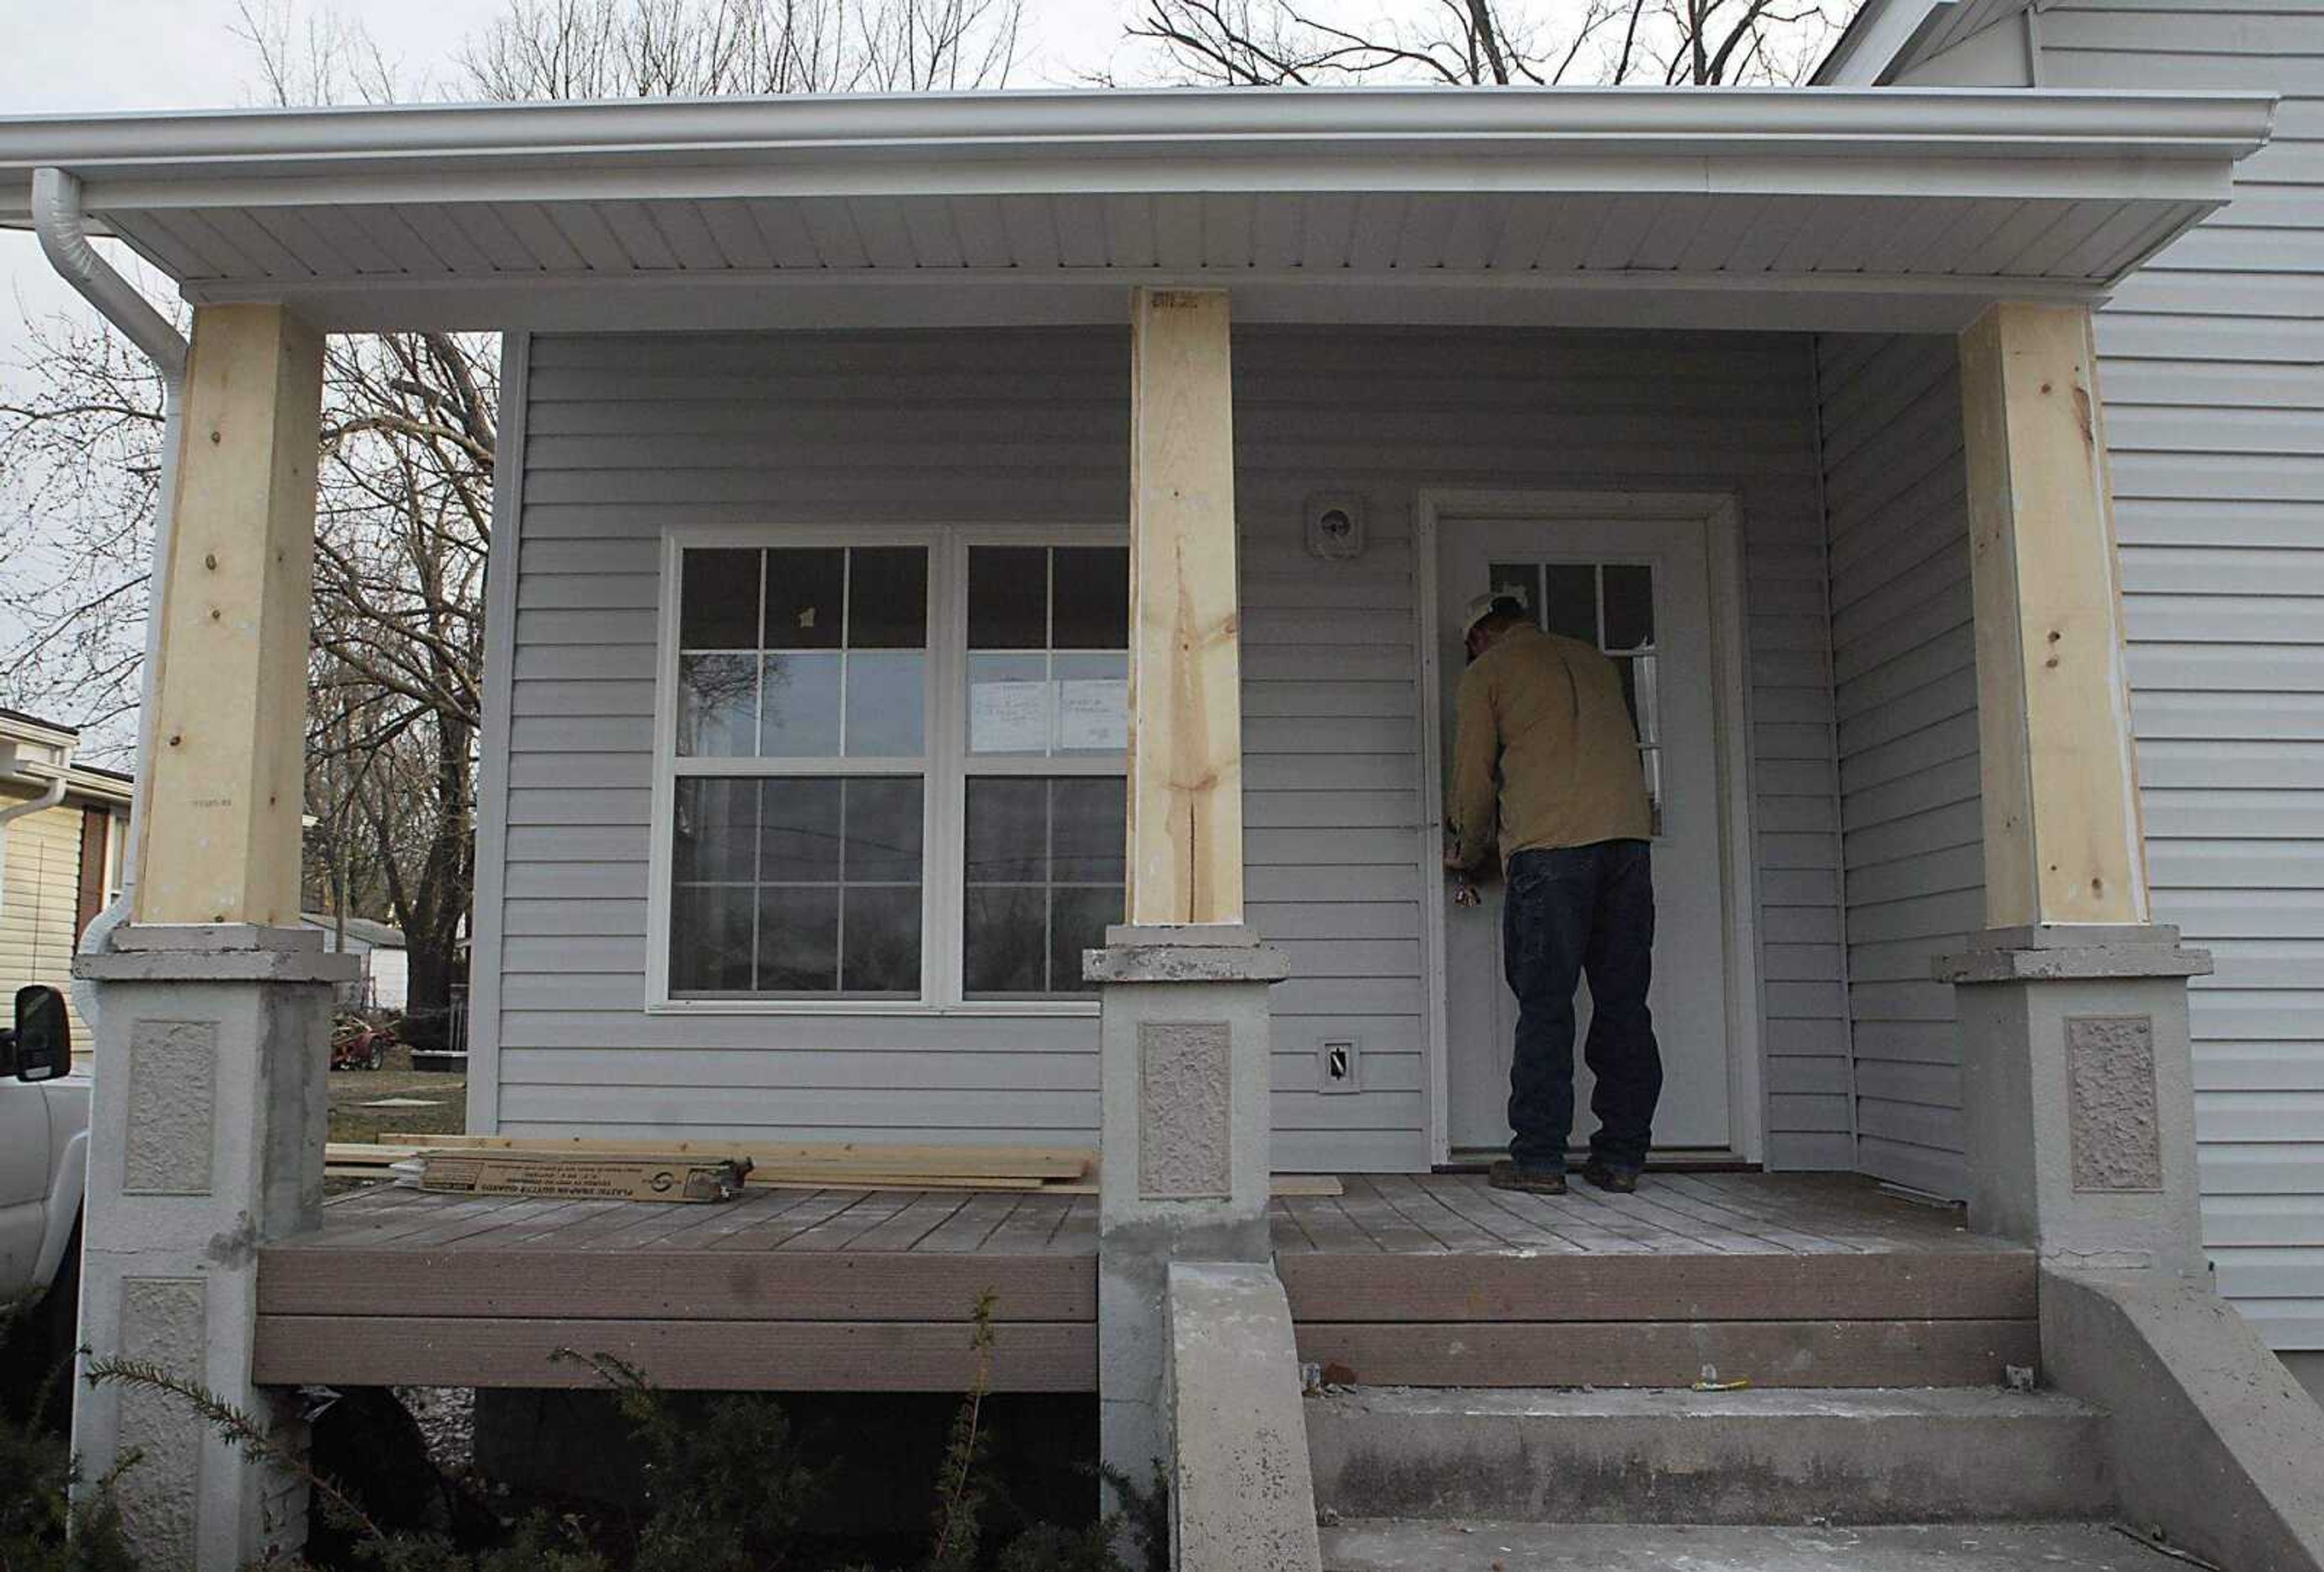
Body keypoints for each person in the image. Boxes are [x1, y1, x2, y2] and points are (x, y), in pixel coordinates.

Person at [1445, 591, 1660, 1197]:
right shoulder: (1594, 661)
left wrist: (1468, 851)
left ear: (1481, 636)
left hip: (1550, 851)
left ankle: (1539, 1157)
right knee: (1623, 1003)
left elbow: (1473, 776)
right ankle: (1621, 1156)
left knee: (1546, 1005)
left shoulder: (1489, 672)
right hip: (1627, 845)